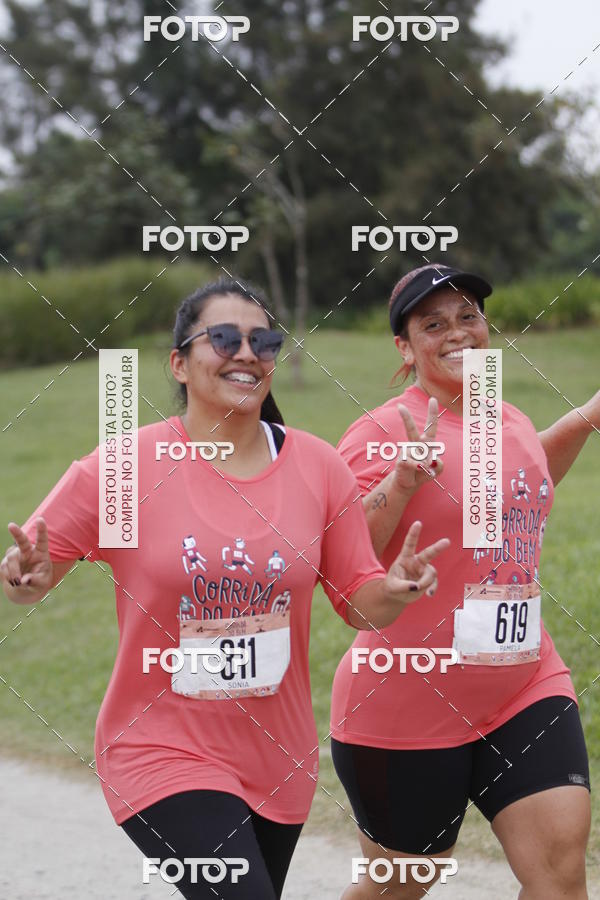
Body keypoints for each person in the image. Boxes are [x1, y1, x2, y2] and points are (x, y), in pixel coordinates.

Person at [1, 278, 449, 900]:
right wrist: (28, 578)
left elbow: (357, 600)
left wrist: (396, 588)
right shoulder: (126, 469)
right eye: (223, 338)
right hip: (159, 750)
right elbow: (29, 572)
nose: (246, 353)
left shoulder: (317, 467)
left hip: (277, 759)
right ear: (180, 363)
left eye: (262, 340)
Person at [330, 263, 599, 900]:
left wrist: (589, 416)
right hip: (407, 701)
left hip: (525, 684)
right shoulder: (384, 431)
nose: (457, 333)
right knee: (399, 887)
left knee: (560, 881)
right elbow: (339, 557)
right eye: (433, 324)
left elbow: (526, 478)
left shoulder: (503, 418)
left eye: (468, 317)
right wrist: (401, 483)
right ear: (405, 345)